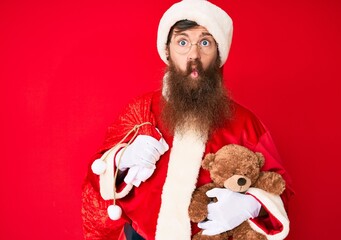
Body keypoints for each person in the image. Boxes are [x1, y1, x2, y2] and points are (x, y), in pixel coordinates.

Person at [81, 0, 294, 239]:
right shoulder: (140, 111)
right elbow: (96, 180)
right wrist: (121, 159)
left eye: (205, 42)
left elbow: (280, 188)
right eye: (183, 42)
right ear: (168, 51)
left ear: (218, 53)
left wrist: (252, 205)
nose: (194, 54)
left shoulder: (245, 123)